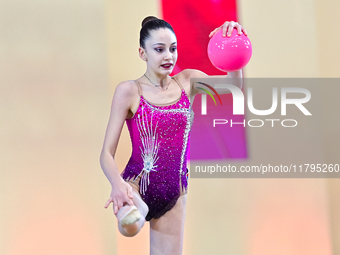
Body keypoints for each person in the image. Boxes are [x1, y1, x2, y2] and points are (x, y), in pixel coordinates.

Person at [100, 16, 246, 255]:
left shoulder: (187, 81)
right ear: (142, 53)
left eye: (172, 49)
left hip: (174, 192)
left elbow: (233, 85)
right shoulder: (128, 91)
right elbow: (106, 153)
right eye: (159, 50)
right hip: (135, 186)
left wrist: (234, 44)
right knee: (131, 224)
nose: (168, 56)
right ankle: (137, 210)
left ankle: (141, 211)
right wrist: (117, 185)